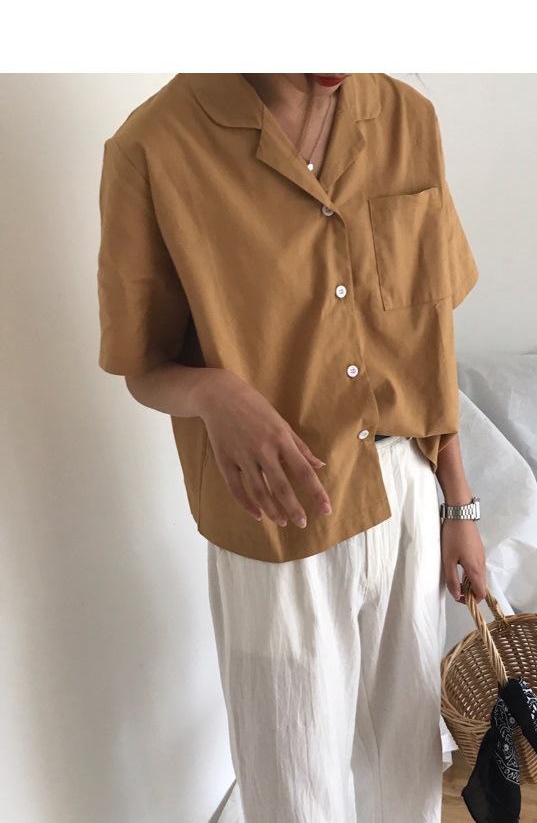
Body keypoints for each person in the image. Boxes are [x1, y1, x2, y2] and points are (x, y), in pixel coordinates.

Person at [98, 72, 487, 823]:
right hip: (276, 516)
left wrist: (458, 504)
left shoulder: (406, 117)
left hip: (407, 494)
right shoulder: (154, 147)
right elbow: (142, 365)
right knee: (292, 784)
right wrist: (212, 394)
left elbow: (430, 335)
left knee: (408, 767)